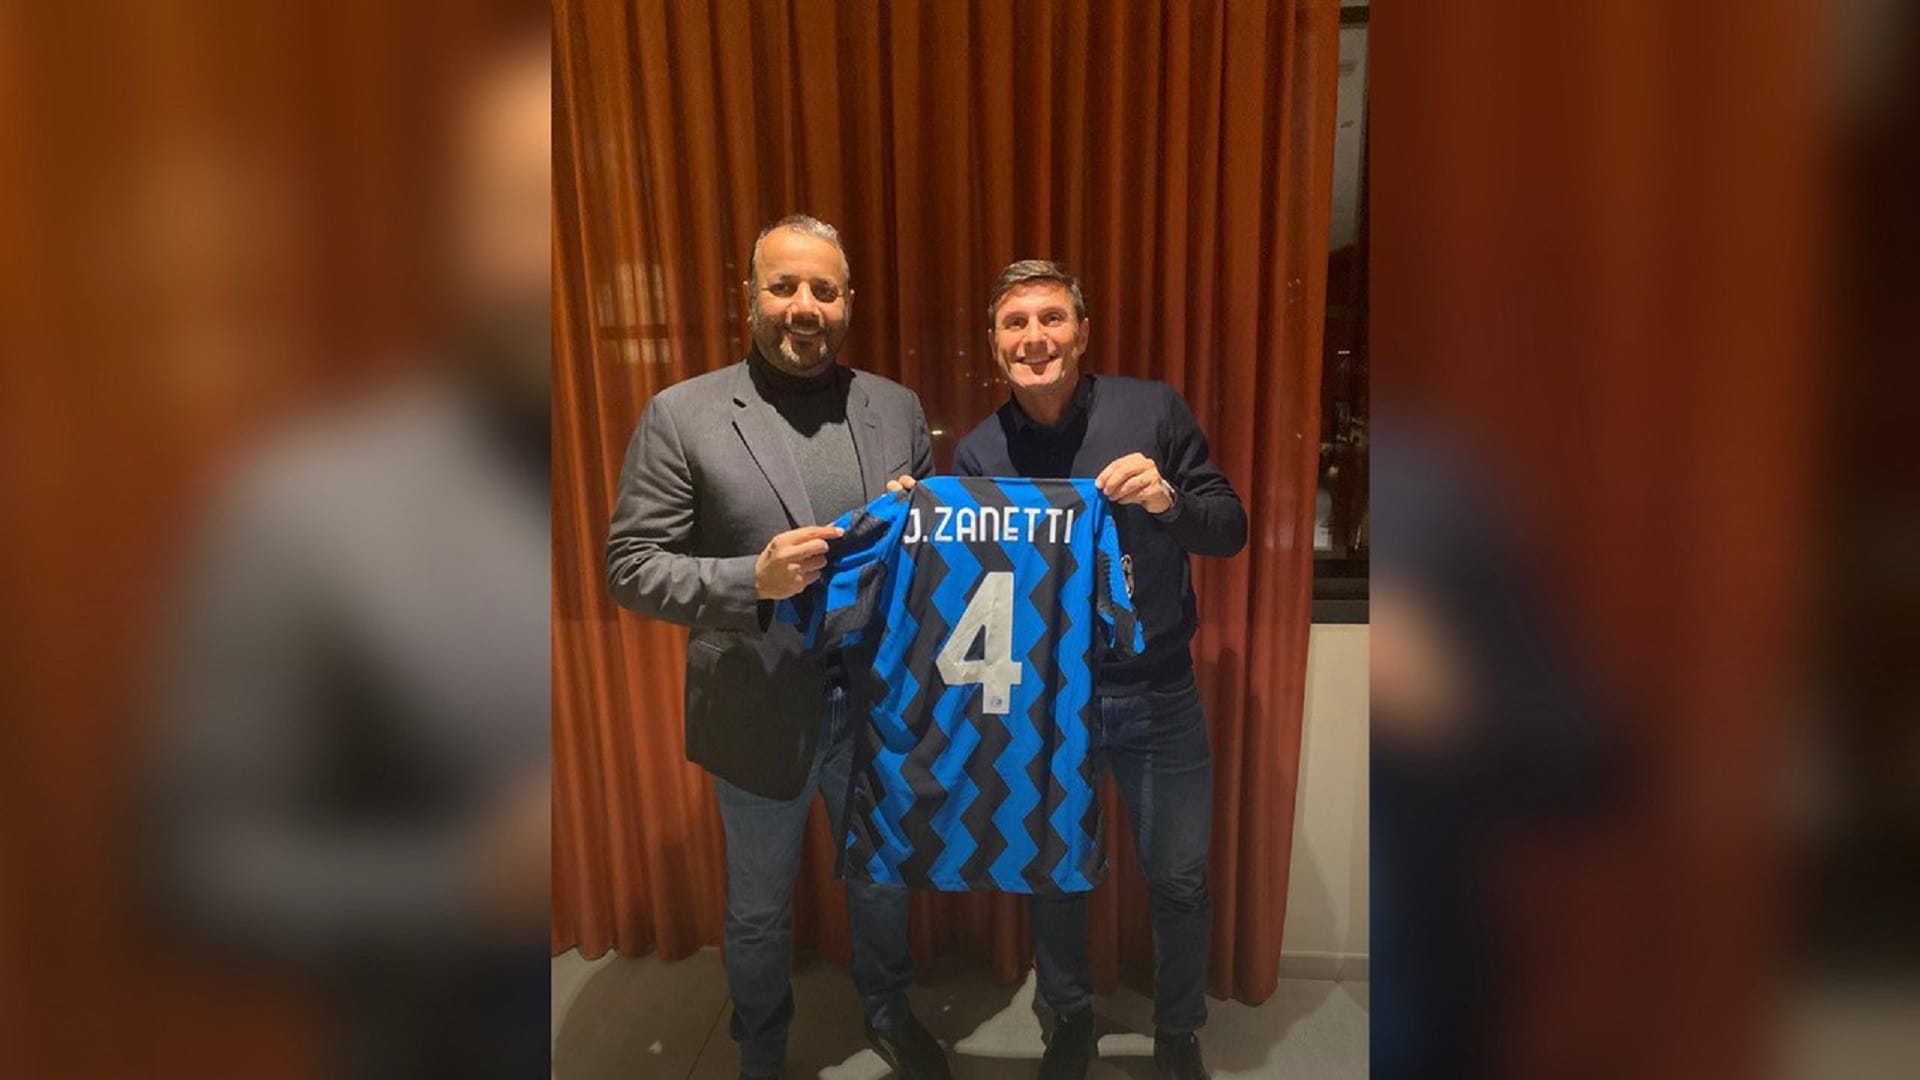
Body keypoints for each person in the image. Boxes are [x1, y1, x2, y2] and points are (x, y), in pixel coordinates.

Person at [605, 215, 949, 1080]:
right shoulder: (681, 413)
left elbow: (924, 559)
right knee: (758, 906)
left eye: (823, 290)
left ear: (848, 302)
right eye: (784, 286)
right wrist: (747, 581)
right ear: (750, 296)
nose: (804, 305)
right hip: (755, 707)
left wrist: (920, 524)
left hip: (877, 707)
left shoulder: (896, 407)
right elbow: (629, 566)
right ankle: (760, 1045)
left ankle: (887, 1010)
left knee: (881, 881)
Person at [940, 259, 1247, 1080]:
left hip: (1157, 690)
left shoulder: (1152, 409)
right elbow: (971, 590)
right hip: (1048, 701)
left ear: (1082, 332)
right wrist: (918, 518)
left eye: (1051, 318)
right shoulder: (978, 453)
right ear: (995, 345)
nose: (1034, 337)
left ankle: (1179, 1032)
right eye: (1015, 323)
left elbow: (1229, 529)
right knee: (1054, 874)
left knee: (1179, 877)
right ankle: (1067, 1022)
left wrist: (1167, 501)